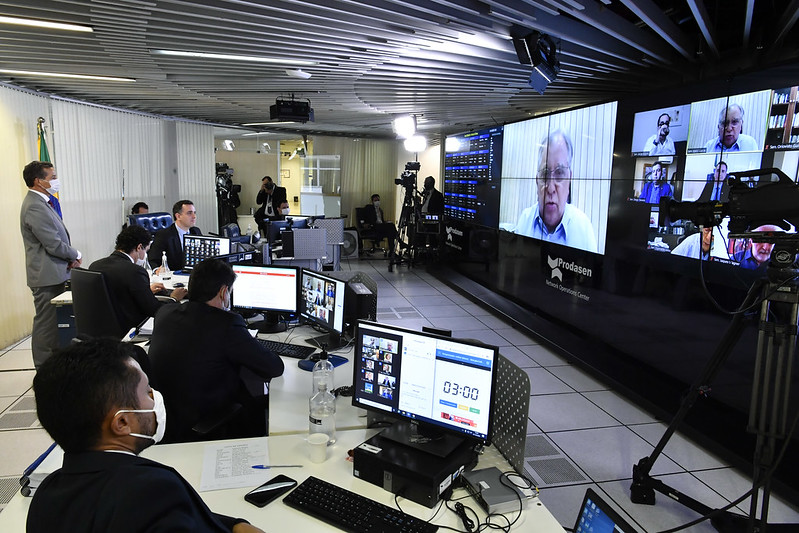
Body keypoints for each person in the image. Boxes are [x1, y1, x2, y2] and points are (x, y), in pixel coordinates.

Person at [27, 337, 262, 533]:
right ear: (122, 422)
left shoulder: (47, 493)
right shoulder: (152, 491)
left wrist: (234, 525)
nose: (155, 398)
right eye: (147, 391)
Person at [147, 259, 284, 443]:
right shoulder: (227, 325)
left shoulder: (165, 313)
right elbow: (274, 367)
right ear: (223, 292)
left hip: (167, 419)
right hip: (208, 420)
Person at [20, 161, 82, 368]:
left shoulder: (43, 202)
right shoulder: (34, 206)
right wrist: (76, 254)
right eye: (52, 177)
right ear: (38, 181)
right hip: (46, 276)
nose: (56, 181)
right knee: (46, 327)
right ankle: (43, 370)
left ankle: (56, 367)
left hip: (56, 271)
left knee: (56, 327)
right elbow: (52, 243)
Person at [508, 130, 598, 253]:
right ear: (536, 181)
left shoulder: (584, 229)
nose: (550, 189)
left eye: (560, 173)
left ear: (569, 180)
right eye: (544, 174)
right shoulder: (525, 220)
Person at [89, 226, 188, 332]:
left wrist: (146, 290)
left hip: (103, 329)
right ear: (139, 247)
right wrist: (174, 298)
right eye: (146, 250)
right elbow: (154, 310)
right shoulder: (135, 271)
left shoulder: (95, 266)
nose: (145, 255)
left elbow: (118, 295)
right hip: (130, 329)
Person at [148, 199, 202, 271]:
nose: (194, 216)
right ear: (178, 216)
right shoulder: (164, 235)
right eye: (189, 213)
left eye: (194, 213)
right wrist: (157, 270)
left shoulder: (195, 231)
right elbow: (153, 260)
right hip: (174, 276)